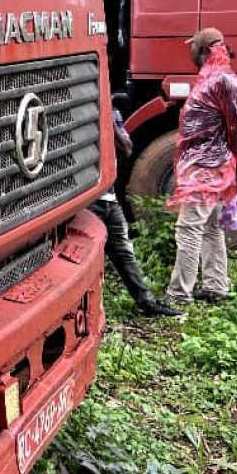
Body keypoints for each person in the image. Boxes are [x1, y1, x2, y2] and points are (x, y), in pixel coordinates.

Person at [164, 28, 237, 306]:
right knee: (211, 227)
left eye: (193, 47)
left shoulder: (222, 81)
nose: (189, 51)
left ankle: (179, 295)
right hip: (210, 166)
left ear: (203, 49)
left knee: (189, 228)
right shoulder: (213, 79)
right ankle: (216, 286)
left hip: (208, 168)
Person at [90, 105, 183, 318]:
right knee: (89, 258)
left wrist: (108, 123)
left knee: (124, 252)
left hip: (108, 197)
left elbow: (127, 149)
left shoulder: (112, 113)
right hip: (87, 199)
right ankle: (91, 311)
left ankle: (147, 303)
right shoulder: (79, 112)